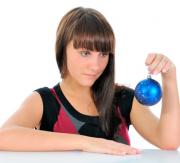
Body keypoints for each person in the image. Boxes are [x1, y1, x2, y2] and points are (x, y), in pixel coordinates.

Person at [0, 7, 179, 155]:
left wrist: (169, 77)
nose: (96, 65)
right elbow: (4, 137)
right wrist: (87, 143)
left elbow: (168, 141)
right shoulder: (44, 100)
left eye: (103, 54)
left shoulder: (123, 98)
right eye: (85, 53)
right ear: (63, 50)